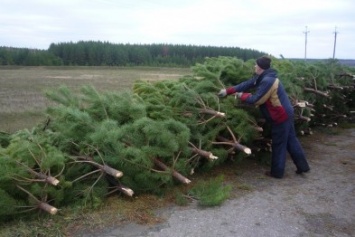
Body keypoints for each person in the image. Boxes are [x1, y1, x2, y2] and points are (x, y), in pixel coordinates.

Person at [218, 56, 310, 178]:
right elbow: (248, 83)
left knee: (279, 143)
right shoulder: (264, 77)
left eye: (256, 65)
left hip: (280, 116)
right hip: (286, 113)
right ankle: (303, 167)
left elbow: (257, 100)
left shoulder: (268, 81)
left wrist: (241, 96)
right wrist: (228, 91)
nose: (254, 67)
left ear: (261, 67)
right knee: (291, 140)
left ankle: (276, 173)